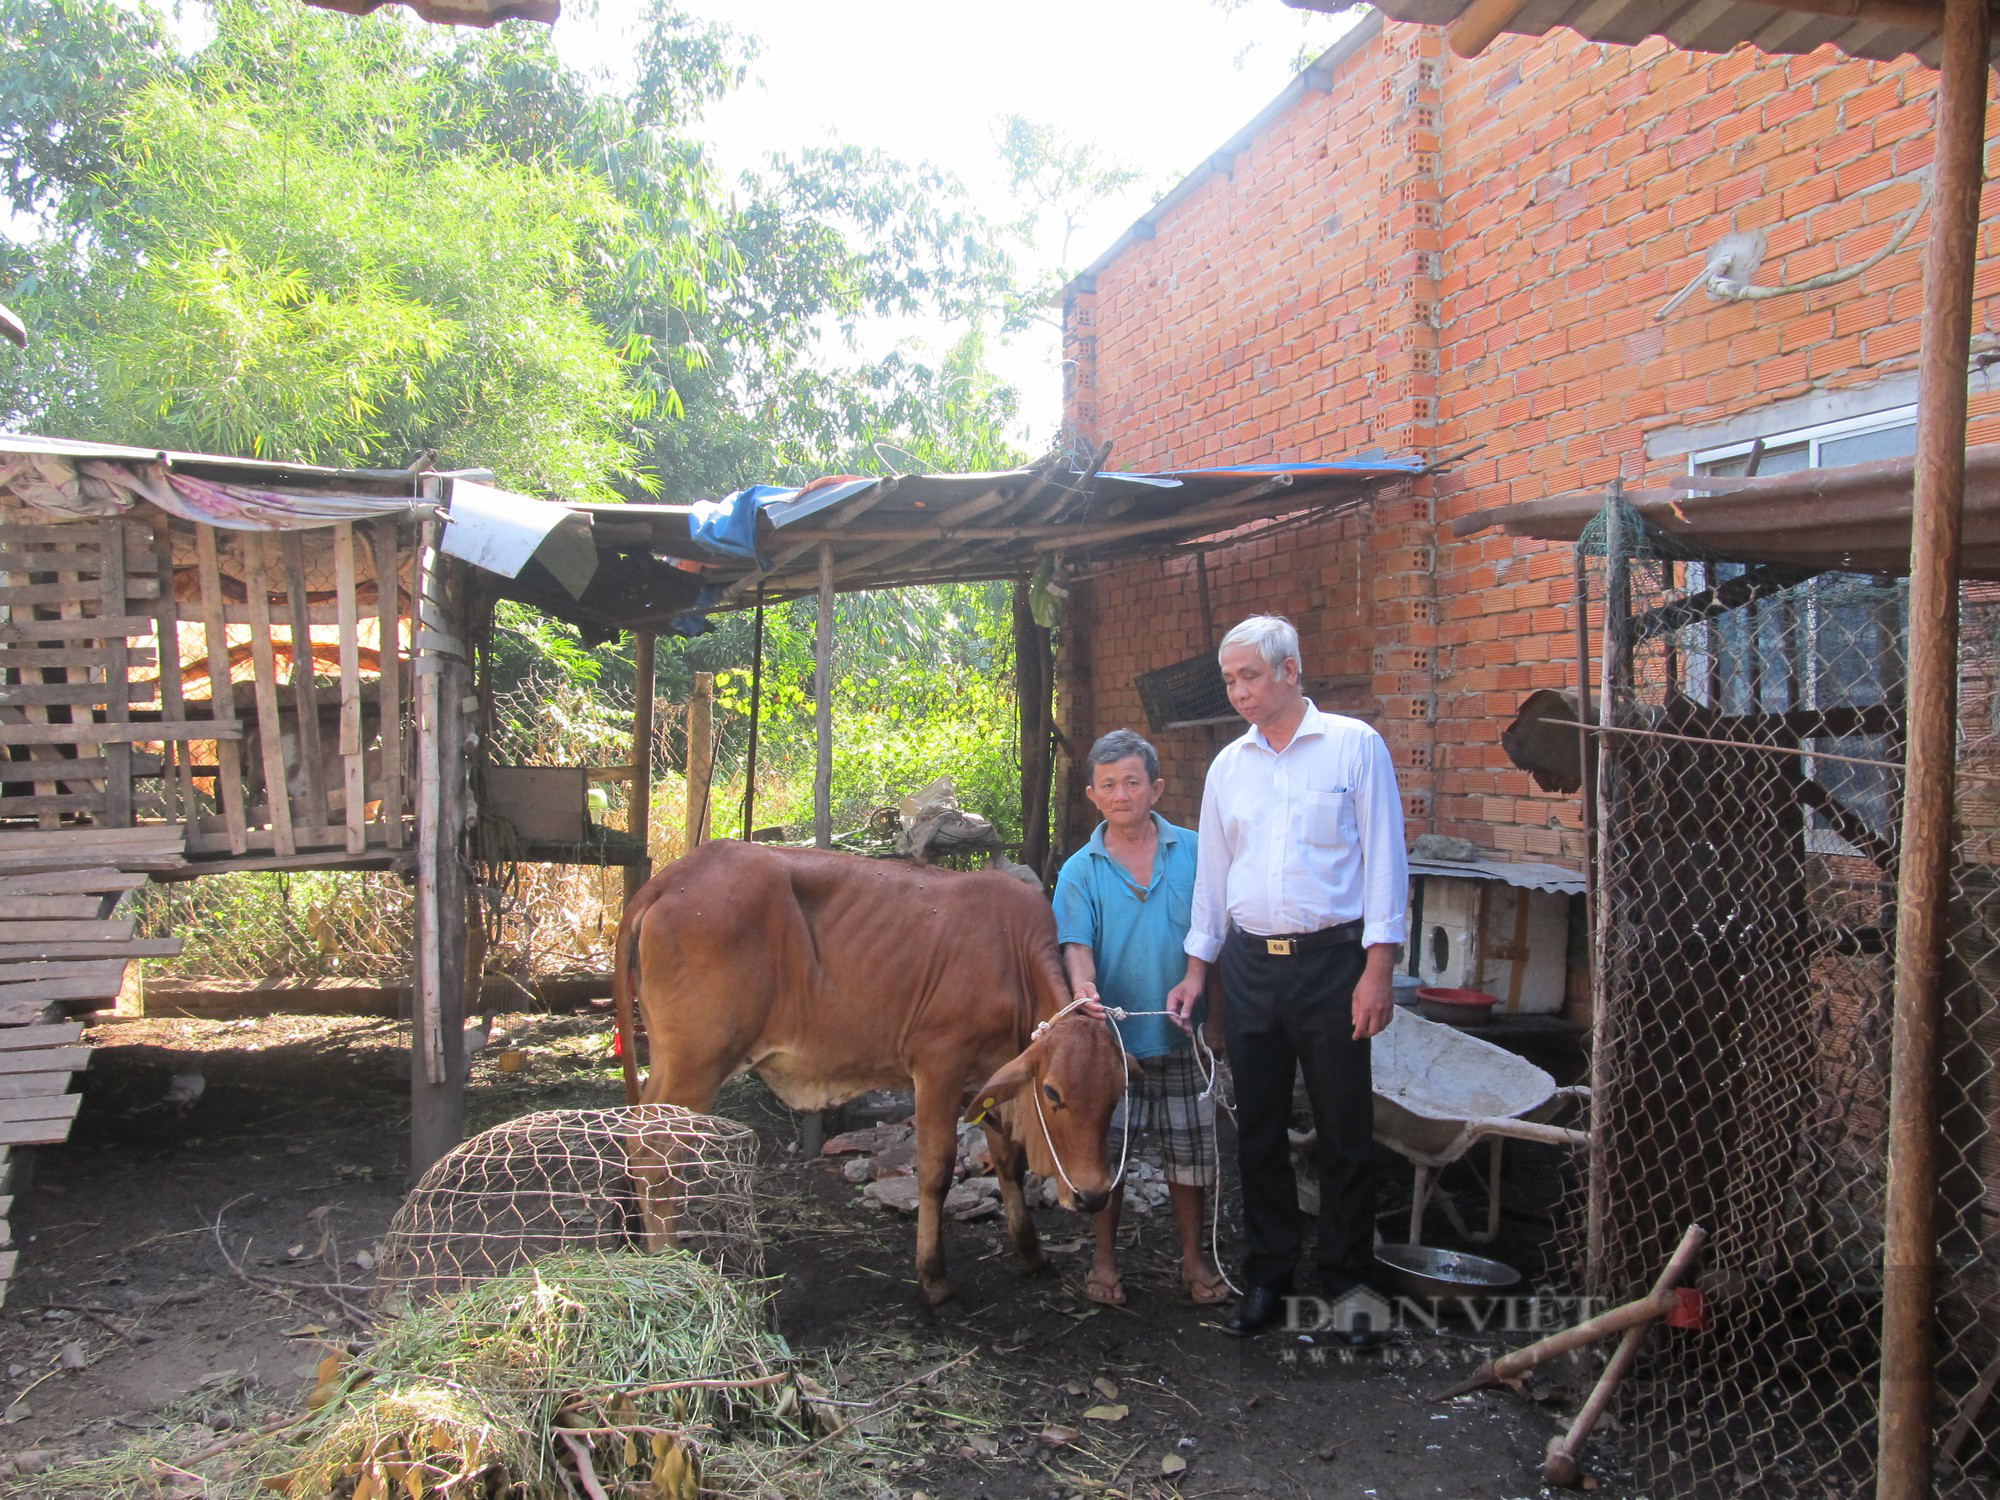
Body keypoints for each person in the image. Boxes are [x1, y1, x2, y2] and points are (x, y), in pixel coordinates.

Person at [1170, 615, 1409, 1337]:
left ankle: (1347, 1286)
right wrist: (1197, 975)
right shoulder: (1228, 768)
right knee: (1258, 1130)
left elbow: (1386, 865)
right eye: (1230, 680)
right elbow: (1213, 880)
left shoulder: (1353, 748)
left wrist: (1378, 970)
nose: (1239, 692)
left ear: (1290, 671)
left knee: (1344, 1130)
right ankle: (1270, 1274)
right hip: (1248, 967)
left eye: (1250, 676)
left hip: (1333, 965)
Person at [1052, 728, 1230, 1308]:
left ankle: (1195, 1261)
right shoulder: (1081, 870)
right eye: (1109, 785)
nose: (1121, 794)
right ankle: (1104, 1264)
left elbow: (1217, 933)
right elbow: (1075, 943)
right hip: (1111, 1046)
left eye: (1132, 782)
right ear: (1092, 795)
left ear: (1156, 789)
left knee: (1190, 1156)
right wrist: (1084, 988)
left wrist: (1213, 1018)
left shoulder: (1198, 852)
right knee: (1111, 1156)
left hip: (1182, 1035)